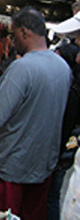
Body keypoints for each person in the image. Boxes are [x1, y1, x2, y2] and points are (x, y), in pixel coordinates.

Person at [0, 6, 72, 220]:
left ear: (24, 32)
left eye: (13, 34)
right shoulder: (62, 66)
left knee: (4, 216)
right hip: (42, 163)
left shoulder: (22, 67)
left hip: (12, 165)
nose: (12, 41)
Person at [47, 43, 80, 220]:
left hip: (61, 152)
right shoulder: (68, 86)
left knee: (52, 196)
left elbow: (65, 126)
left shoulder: (72, 92)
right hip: (63, 152)